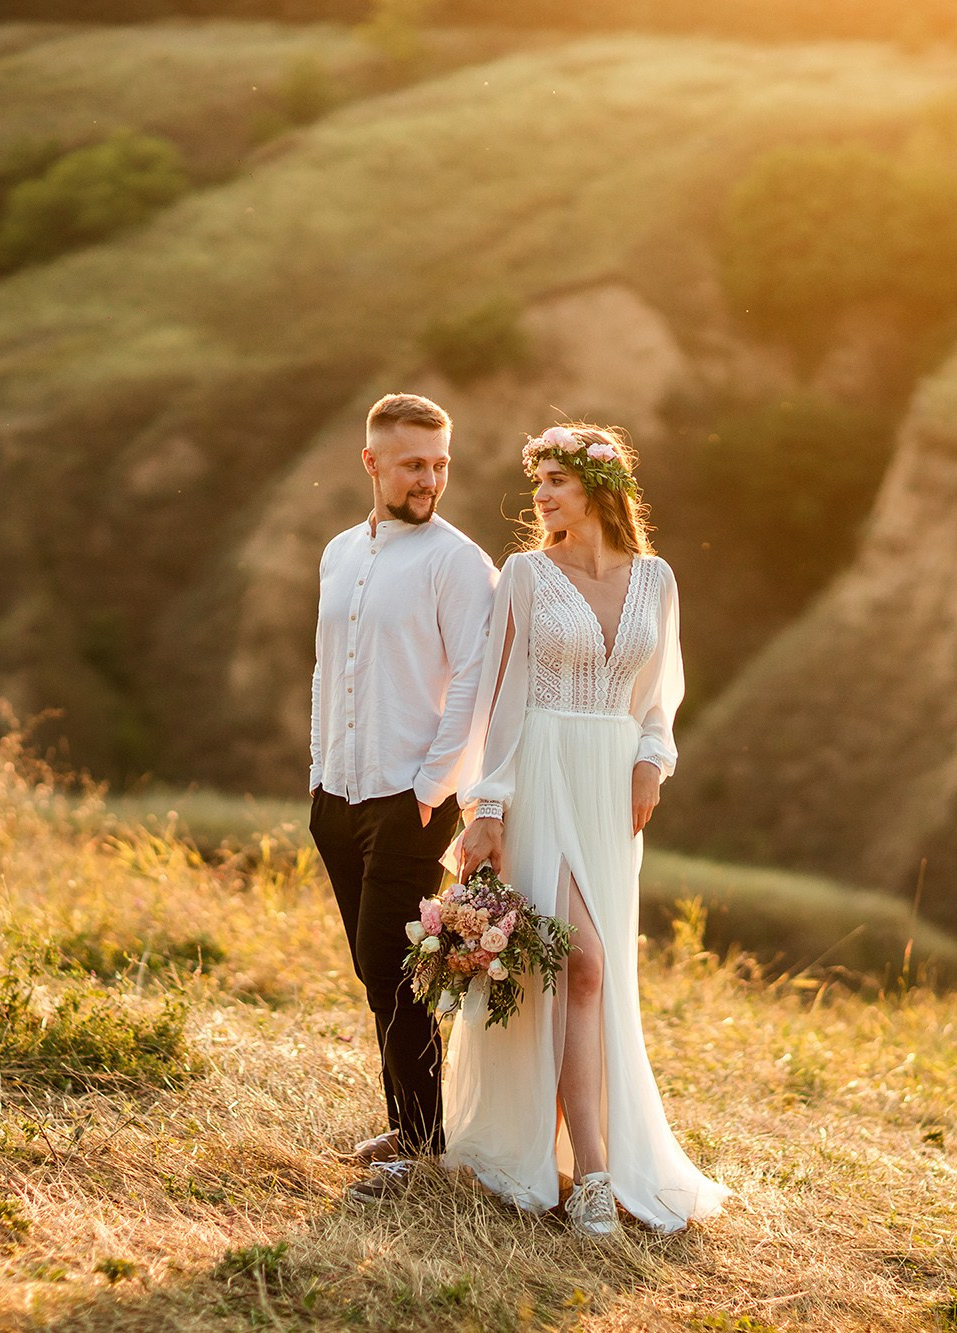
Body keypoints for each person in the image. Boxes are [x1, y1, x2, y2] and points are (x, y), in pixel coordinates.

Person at [447, 423, 729, 1237]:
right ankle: (594, 1177)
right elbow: (501, 700)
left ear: (601, 487)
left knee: (591, 978)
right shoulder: (528, 575)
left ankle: (589, 1160)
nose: (540, 497)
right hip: (540, 773)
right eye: (537, 483)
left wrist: (652, 758)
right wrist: (489, 807)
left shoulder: (658, 578)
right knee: (579, 959)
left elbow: (659, 691)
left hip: (611, 788)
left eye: (556, 480)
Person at [308, 392, 498, 1203]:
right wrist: (318, 767)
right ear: (372, 462)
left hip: (411, 799)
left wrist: (433, 786)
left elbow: (476, 684)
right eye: (414, 462)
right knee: (370, 967)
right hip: (336, 793)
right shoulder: (339, 552)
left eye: (440, 463)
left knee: (395, 969)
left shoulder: (460, 562)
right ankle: (409, 1123)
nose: (429, 478)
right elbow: (326, 668)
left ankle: (422, 1152)